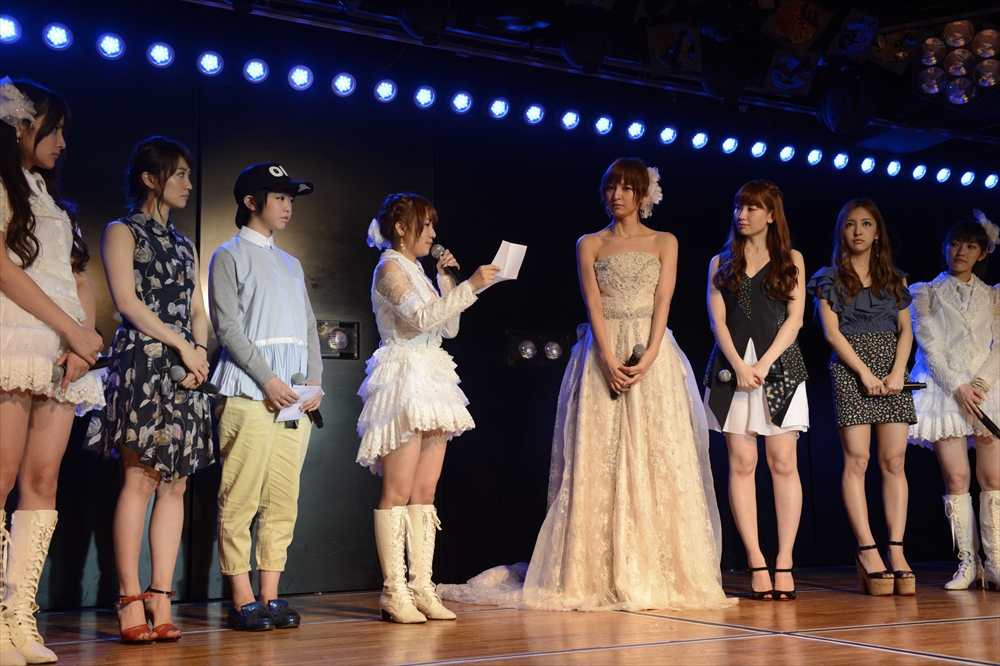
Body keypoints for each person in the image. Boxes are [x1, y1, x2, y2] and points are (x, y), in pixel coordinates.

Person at [441, 158, 736, 612]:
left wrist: (650, 354)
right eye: (611, 187)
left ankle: (657, 569)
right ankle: (597, 571)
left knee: (656, 456)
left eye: (627, 188)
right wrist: (606, 357)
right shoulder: (590, 243)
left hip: (652, 352)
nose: (617, 195)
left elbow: (663, 299)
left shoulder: (665, 241)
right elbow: (593, 303)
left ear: (643, 195)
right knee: (602, 458)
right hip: (601, 354)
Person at [85, 137, 214, 643]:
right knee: (139, 479)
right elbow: (127, 303)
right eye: (179, 174)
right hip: (143, 362)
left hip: (185, 367)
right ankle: (129, 598)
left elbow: (198, 309)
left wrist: (198, 353)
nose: (187, 183)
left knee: (175, 484)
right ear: (150, 178)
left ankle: (162, 597)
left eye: (188, 174)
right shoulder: (122, 231)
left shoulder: (185, 244)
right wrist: (183, 347)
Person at [0, 77, 104, 666]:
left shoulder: (56, 202)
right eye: (54, 129)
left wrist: (84, 340)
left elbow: (80, 276)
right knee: (2, 476)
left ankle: (21, 616)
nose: (62, 142)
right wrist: (72, 330)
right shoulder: (2, 187)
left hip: (63, 350)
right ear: (21, 126)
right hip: (15, 336)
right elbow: (3, 269)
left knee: (43, 480)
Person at [356, 193, 498, 623]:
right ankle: (393, 590)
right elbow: (418, 320)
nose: (434, 233)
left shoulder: (417, 269)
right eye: (427, 224)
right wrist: (472, 285)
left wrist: (449, 281)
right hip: (403, 376)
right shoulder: (389, 268)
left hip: (432, 376)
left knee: (425, 491)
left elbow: (447, 327)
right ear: (402, 228)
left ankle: (422, 586)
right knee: (397, 491)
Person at [209, 163, 323, 632]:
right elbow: (227, 327)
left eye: (291, 198)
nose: (287, 205)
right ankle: (241, 597)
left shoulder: (292, 263)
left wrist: (313, 383)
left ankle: (271, 595)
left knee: (282, 498)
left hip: (294, 399)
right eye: (279, 197)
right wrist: (267, 379)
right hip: (250, 391)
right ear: (251, 201)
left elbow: (309, 327)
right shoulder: (228, 255)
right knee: (240, 495)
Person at [703, 180, 808, 601]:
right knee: (742, 463)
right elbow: (717, 322)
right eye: (739, 206)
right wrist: (739, 365)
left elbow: (795, 319)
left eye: (751, 208)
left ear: (771, 214)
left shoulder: (791, 259)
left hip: (779, 368)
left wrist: (762, 365)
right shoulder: (720, 262)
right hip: (732, 371)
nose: (742, 214)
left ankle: (784, 560)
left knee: (783, 461)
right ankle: (756, 560)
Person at [807, 198, 916, 597]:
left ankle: (896, 550)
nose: (858, 231)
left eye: (866, 224)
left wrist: (896, 372)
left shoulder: (895, 280)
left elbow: (906, 331)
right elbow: (831, 333)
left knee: (894, 460)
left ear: (877, 232)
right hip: (852, 369)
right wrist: (865, 373)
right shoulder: (827, 279)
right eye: (851, 224)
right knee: (858, 459)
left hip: (891, 369)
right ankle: (867, 550)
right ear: (842, 230)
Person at [907, 211, 999, 591]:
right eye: (955, 244)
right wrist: (958, 386)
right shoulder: (925, 292)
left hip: (987, 391)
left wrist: (980, 383)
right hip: (944, 391)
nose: (961, 251)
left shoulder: (993, 295)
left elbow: (999, 345)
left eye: (970, 246)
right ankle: (967, 563)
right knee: (957, 477)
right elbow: (929, 345)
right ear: (945, 247)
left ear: (982, 253)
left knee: (993, 477)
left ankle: (995, 563)